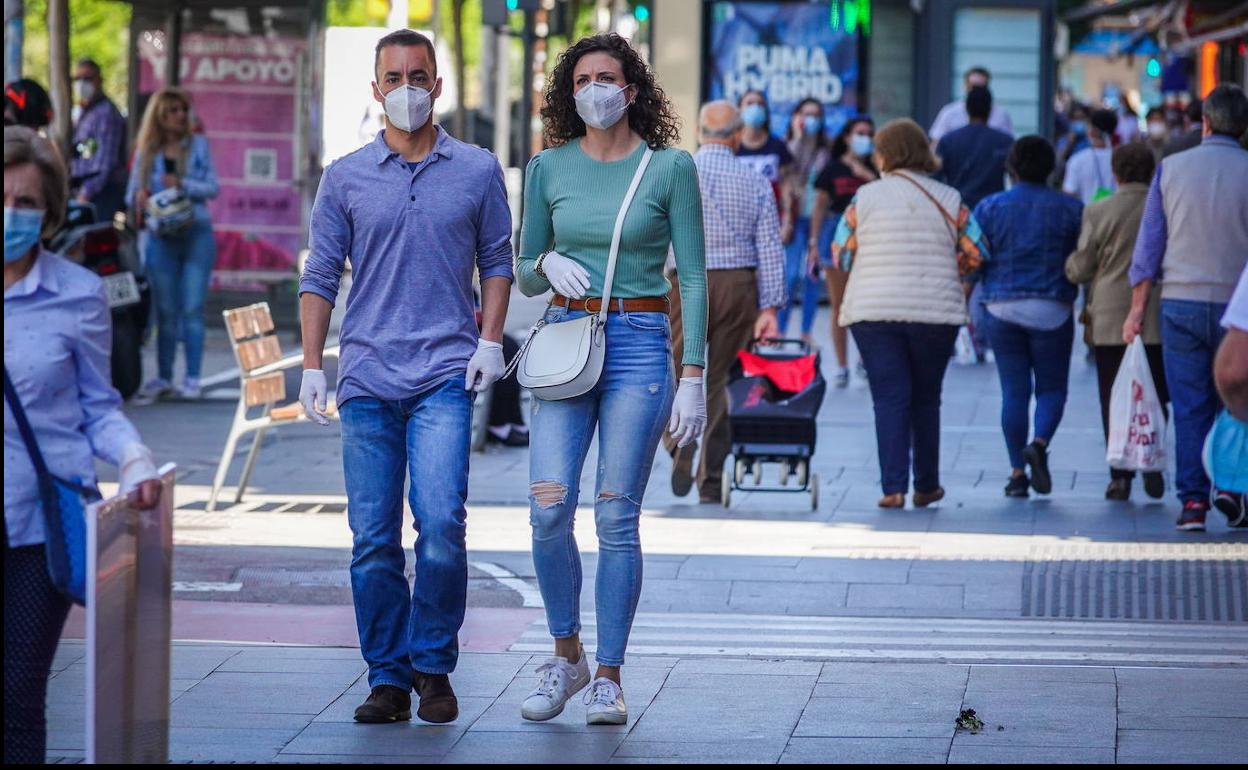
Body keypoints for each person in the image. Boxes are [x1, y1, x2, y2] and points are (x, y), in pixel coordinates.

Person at [299, 29, 513, 725]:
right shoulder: (346, 176)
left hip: (445, 374)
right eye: (394, 76)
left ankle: (432, 664)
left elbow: (497, 261)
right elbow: (320, 274)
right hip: (365, 377)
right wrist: (310, 366)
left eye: (418, 75)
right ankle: (388, 677)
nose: (407, 87)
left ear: (438, 86)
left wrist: (487, 342)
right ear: (375, 88)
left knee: (444, 526)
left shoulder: (478, 170)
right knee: (372, 539)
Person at [515, 33, 706, 725]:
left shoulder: (669, 169)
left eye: (609, 78)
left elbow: (691, 274)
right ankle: (565, 655)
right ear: (571, 92)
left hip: (639, 343)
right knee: (547, 507)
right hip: (568, 341)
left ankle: (609, 676)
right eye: (584, 79)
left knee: (616, 515)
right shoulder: (547, 168)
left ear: (632, 90)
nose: (596, 89)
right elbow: (524, 260)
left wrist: (694, 373)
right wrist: (547, 267)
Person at [4, 125, 161, 763]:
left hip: (40, 527)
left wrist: (133, 457)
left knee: (16, 699)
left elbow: (98, 405)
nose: (10, 214)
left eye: (25, 203)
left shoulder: (77, 294)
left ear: (48, 214)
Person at [831, 118, 986, 509]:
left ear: (885, 155)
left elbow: (841, 253)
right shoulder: (950, 199)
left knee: (889, 396)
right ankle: (927, 485)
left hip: (874, 311)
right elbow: (977, 253)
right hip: (937, 313)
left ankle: (893, 487)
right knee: (926, 398)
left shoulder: (864, 198)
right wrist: (956, 276)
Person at [1125, 83, 1248, 532]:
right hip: (1240, 311)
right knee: (1239, 403)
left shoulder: (1171, 168)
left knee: (1191, 404)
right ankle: (1234, 488)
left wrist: (1137, 309)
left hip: (1180, 303)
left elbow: (1149, 247)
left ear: (1205, 123)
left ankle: (1193, 502)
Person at [666, 101, 784, 503]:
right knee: (722, 380)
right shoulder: (755, 181)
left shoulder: (677, 173)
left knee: (676, 368)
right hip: (739, 286)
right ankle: (712, 479)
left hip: (683, 282)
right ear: (736, 136)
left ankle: (677, 443)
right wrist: (770, 307)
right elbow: (770, 246)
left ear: (700, 132)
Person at [973, 137, 1083, 498]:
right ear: (1051, 168)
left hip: (1001, 307)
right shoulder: (1071, 209)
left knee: (1013, 392)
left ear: (1012, 168)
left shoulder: (990, 207)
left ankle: (1017, 472)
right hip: (1052, 308)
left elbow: (973, 259)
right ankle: (1039, 442)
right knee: (1051, 389)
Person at [1065, 142, 1168, 502]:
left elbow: (1082, 266)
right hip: (1156, 311)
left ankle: (1119, 476)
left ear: (1116, 172)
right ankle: (1153, 461)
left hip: (1110, 316)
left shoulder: (1098, 210)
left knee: (1113, 395)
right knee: (1157, 391)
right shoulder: (1164, 205)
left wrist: (1070, 267)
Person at [126, 88, 219, 403]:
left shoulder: (198, 145)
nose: (182, 115)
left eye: (184, 109)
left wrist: (183, 184)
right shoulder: (146, 151)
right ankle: (164, 376)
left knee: (192, 308)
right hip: (160, 237)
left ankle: (192, 377)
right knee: (165, 311)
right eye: (174, 110)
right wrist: (139, 197)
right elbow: (131, 195)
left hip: (196, 233)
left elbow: (213, 187)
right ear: (160, 116)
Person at [809, 114, 877, 387]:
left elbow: (886, 192)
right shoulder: (833, 168)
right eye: (860, 133)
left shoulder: (876, 167)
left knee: (868, 303)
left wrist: (868, 176)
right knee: (840, 305)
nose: (866, 139)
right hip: (835, 232)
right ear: (847, 137)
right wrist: (813, 243)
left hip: (869, 233)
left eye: (870, 134)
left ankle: (864, 360)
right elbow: (819, 207)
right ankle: (840, 365)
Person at [781, 97, 831, 342]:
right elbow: (787, 166)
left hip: (817, 221)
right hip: (795, 219)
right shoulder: (790, 144)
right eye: (806, 114)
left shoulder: (827, 149)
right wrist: (799, 138)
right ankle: (780, 330)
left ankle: (806, 332)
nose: (811, 120)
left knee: (812, 277)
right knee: (790, 276)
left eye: (815, 115)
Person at [935, 87, 1013, 209]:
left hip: (957, 209)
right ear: (990, 109)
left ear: (966, 108)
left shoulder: (948, 140)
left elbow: (936, 179)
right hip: (993, 208)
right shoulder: (1005, 142)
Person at [70, 58, 128, 222]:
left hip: (101, 193)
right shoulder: (86, 111)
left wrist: (85, 195)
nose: (82, 84)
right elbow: (84, 150)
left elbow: (104, 163)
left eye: (87, 78)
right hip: (85, 191)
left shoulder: (106, 114)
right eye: (78, 79)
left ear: (99, 80)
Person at [735, 89, 794, 234]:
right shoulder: (731, 145)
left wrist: (787, 222)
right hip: (738, 219)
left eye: (760, 104)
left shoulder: (777, 145)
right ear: (739, 109)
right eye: (750, 103)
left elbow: (786, 185)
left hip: (770, 220)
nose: (755, 108)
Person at [928, 66, 1014, 144]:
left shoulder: (1001, 115)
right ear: (966, 86)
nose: (977, 92)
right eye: (973, 87)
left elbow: (1008, 145)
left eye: (981, 88)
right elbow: (936, 143)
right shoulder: (949, 112)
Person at [1062, 108, 1117, 204]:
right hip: (1115, 216)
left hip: (1085, 216)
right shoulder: (1121, 158)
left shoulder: (1077, 160)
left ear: (1092, 130)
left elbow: (1069, 193)